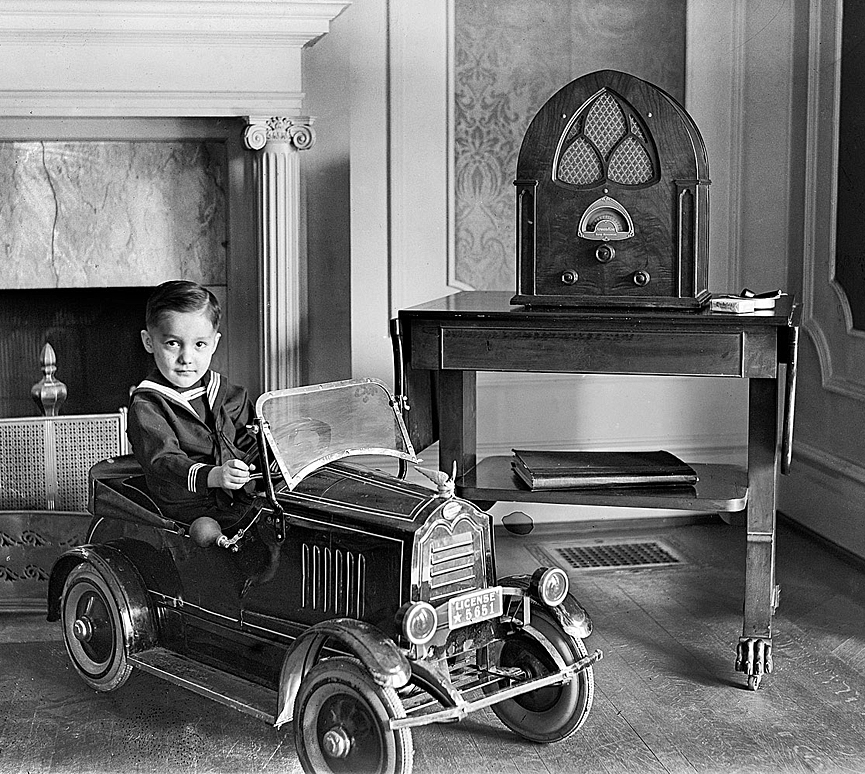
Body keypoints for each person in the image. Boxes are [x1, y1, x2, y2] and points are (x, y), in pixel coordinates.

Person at [127, 279, 257, 524]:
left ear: (214, 344)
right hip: (187, 508)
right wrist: (214, 476)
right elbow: (164, 461)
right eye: (172, 343)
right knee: (213, 534)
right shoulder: (148, 404)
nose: (186, 358)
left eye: (199, 344)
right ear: (148, 342)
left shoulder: (228, 392)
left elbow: (250, 441)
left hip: (238, 498)